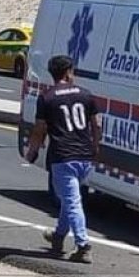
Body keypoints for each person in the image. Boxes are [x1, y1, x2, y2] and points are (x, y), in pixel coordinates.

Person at [24, 54, 101, 264]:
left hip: (62, 156)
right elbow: (97, 124)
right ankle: (58, 236)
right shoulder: (86, 94)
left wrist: (33, 151)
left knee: (72, 201)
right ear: (68, 72)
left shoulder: (47, 97)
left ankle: (83, 245)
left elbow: (40, 129)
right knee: (71, 199)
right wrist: (95, 146)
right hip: (84, 157)